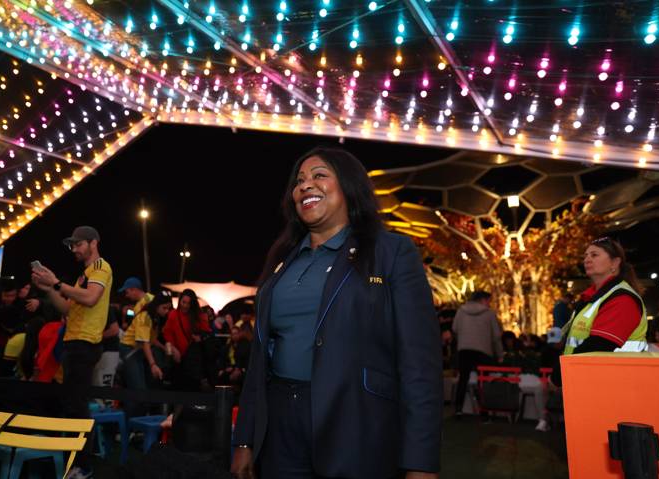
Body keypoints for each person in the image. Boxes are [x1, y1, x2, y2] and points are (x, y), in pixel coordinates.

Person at [231, 147, 442, 479]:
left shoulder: (390, 252)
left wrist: (421, 461)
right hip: (281, 424)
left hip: (358, 423)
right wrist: (244, 439)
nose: (304, 186)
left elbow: (420, 363)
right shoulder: (283, 260)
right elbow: (259, 358)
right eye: (298, 181)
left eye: (319, 176)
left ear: (348, 186)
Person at [32, 226, 112, 479]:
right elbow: (67, 308)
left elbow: (90, 298)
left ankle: (83, 467)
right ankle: (75, 463)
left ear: (93, 242)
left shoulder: (101, 267)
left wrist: (56, 282)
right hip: (74, 343)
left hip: (84, 344)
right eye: (72, 245)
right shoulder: (84, 275)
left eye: (78, 244)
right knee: (72, 404)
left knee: (77, 406)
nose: (74, 249)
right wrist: (49, 289)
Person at [551, 237, 648, 387]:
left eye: (594, 255)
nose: (587, 259)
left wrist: (557, 376)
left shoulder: (622, 299)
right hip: (590, 381)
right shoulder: (590, 298)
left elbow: (598, 345)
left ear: (615, 263)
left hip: (615, 385)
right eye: (586, 256)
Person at [119, 293, 172, 417]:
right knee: (138, 389)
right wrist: (153, 364)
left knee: (142, 389)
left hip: (138, 352)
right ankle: (130, 425)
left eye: (168, 308)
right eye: (164, 308)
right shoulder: (144, 316)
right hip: (129, 351)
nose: (167, 311)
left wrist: (164, 348)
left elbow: (151, 340)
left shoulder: (155, 318)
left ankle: (136, 424)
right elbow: (145, 343)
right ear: (157, 306)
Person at [451, 291, 503, 417]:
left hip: (464, 349)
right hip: (483, 351)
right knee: (483, 380)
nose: (489, 304)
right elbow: (496, 336)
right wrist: (500, 354)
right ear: (482, 300)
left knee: (463, 379)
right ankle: (484, 411)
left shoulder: (461, 311)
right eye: (488, 301)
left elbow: (455, 329)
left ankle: (458, 409)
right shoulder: (489, 314)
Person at [163, 289, 215, 391]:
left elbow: (207, 334)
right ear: (179, 301)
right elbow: (167, 334)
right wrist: (173, 349)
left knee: (191, 388)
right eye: (183, 302)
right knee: (178, 388)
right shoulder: (173, 314)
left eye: (189, 303)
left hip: (193, 361)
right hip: (178, 359)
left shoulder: (198, 316)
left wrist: (200, 338)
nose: (185, 305)